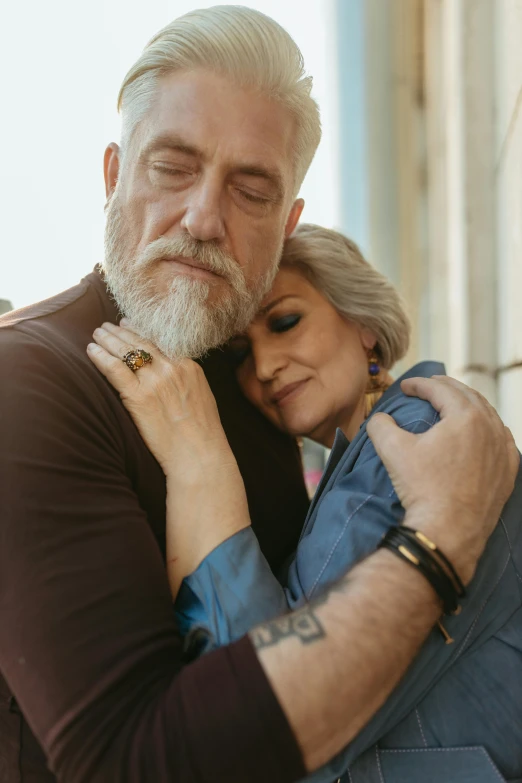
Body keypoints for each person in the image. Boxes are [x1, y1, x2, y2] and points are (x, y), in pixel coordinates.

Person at [0, 8, 517, 783]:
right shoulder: (28, 383)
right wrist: (442, 535)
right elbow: (126, 761)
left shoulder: (256, 395)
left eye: (251, 189)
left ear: (288, 222)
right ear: (113, 176)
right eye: (172, 166)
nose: (204, 218)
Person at [90, 224, 522, 783]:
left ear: (364, 326)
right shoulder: (367, 455)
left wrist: (194, 449)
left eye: (286, 322)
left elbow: (272, 707)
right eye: (242, 353)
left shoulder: (410, 437)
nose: (265, 366)